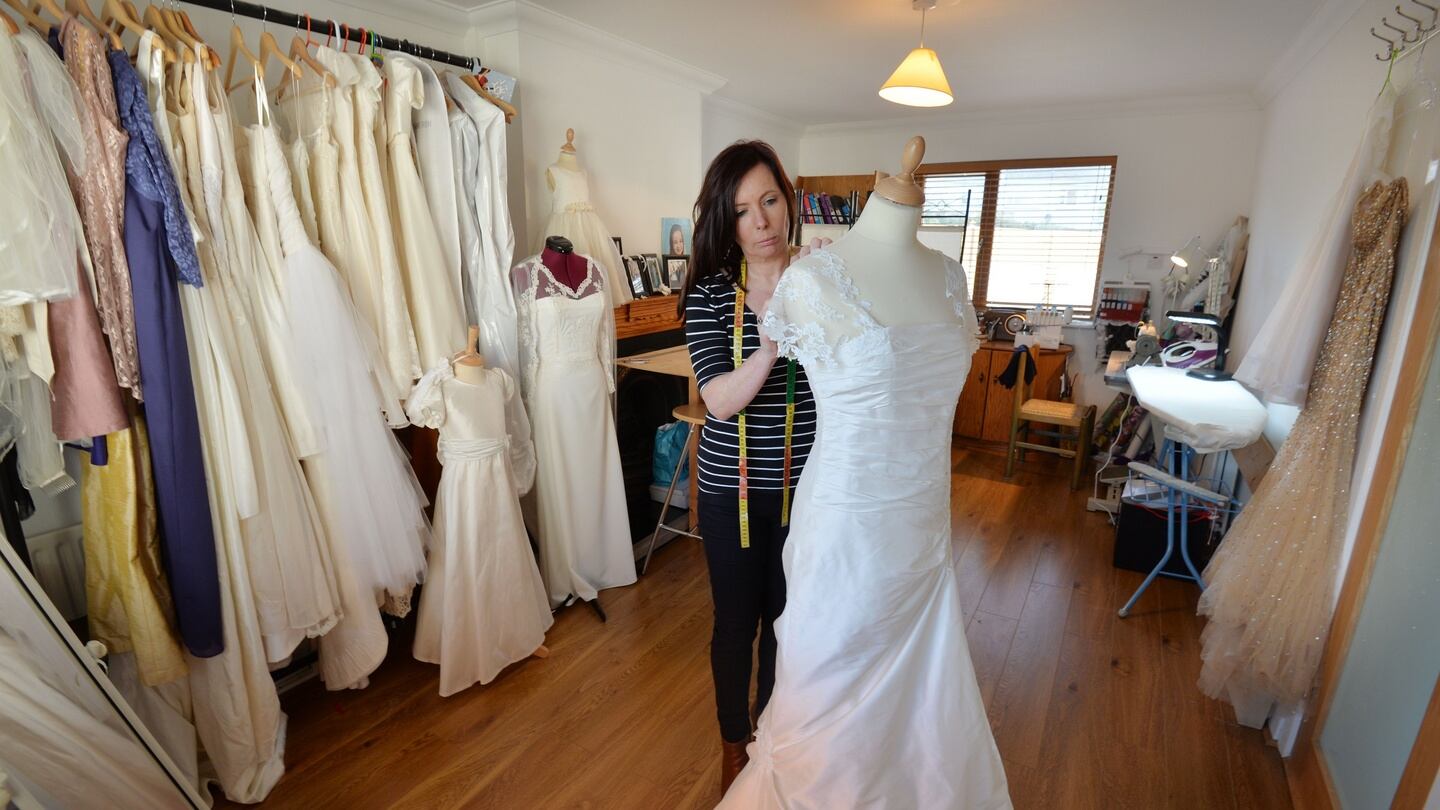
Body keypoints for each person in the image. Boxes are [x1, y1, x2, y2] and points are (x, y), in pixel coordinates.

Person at [679, 141, 824, 793]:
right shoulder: (711, 294)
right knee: (736, 622)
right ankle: (734, 743)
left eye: (769, 200)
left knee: (787, 623)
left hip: (810, 491)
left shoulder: (823, 282)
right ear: (726, 222)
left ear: (788, 202)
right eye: (742, 210)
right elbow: (719, 399)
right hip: (729, 493)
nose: (761, 222)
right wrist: (769, 345)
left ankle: (771, 739)